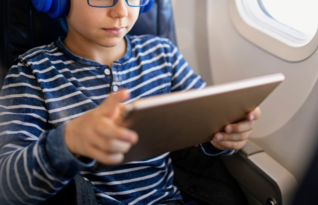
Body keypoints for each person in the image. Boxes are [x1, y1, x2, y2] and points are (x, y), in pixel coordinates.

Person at [0, 0, 261, 204]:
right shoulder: (32, 72)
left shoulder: (163, 55)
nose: (121, 11)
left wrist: (225, 138)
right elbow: (8, 186)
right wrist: (67, 142)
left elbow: (208, 122)